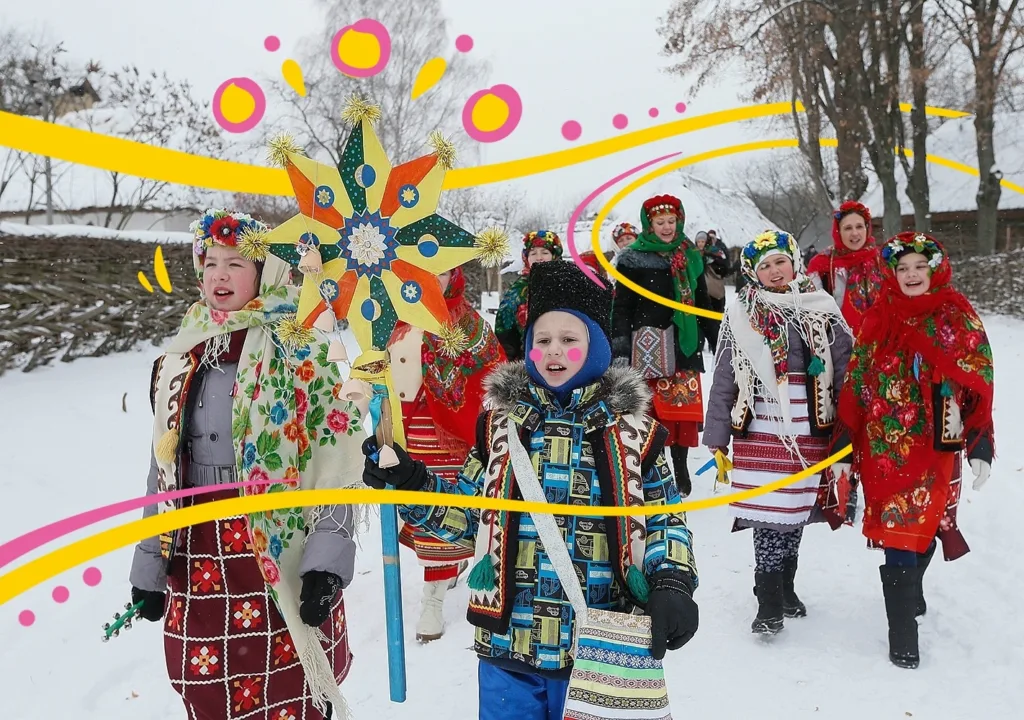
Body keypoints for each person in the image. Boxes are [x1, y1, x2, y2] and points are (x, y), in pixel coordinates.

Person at [362, 260, 700, 720]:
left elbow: (665, 518)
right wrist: (412, 482)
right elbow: (465, 522)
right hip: (506, 645)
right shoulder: (498, 429)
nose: (554, 351)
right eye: (542, 340)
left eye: (569, 340)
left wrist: (672, 582)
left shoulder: (635, 434)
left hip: (599, 643)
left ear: (597, 348)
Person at [128, 209, 369, 720]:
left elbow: (336, 459)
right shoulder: (183, 352)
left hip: (275, 545)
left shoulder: (299, 347)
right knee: (208, 683)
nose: (219, 274)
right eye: (211, 261)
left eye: (235, 262)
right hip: (197, 550)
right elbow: (163, 464)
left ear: (263, 272)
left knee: (288, 686)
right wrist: (149, 566)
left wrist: (326, 563)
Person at [835, 231, 995, 670]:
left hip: (938, 446)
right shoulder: (876, 317)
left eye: (919, 267)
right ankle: (902, 631)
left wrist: (981, 442)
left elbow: (979, 382)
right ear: (891, 273)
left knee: (926, 529)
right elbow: (856, 382)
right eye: (902, 268)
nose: (910, 275)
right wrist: (844, 447)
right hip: (886, 449)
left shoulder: (958, 318)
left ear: (934, 269)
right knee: (896, 536)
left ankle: (912, 589)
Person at [703, 230, 852, 634]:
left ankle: (786, 586)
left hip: (809, 431)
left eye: (779, 262)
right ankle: (767, 600)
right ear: (752, 273)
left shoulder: (822, 308)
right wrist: (716, 434)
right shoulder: (742, 315)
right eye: (763, 265)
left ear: (794, 263)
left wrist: (850, 427)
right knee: (768, 515)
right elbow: (725, 377)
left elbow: (844, 371)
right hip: (760, 430)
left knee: (795, 512)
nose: (773, 271)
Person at [387, 265, 506, 642]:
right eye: (419, 271)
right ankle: (444, 571)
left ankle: (433, 597)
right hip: (405, 428)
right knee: (416, 507)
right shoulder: (393, 317)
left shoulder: (469, 324)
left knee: (443, 504)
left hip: (452, 431)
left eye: (438, 272)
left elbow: (494, 372)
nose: (429, 279)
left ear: (452, 275)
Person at [611, 194, 717, 497]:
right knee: (651, 412)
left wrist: (715, 335)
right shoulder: (632, 259)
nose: (667, 227)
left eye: (672, 221)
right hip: (648, 345)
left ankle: (680, 464)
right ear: (650, 224)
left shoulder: (691, 256)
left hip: (683, 343)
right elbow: (622, 307)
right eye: (661, 222)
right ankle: (653, 468)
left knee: (681, 410)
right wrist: (619, 347)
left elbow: (701, 300)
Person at [806, 201, 887, 335]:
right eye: (848, 228)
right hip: (841, 344)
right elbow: (815, 310)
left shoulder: (883, 260)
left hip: (882, 342)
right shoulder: (823, 264)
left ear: (867, 228)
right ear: (838, 231)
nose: (855, 233)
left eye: (859, 226)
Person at [495, 230, 562, 361]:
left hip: (564, 359)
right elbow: (504, 331)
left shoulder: (567, 284)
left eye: (545, 252)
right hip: (527, 362)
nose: (539, 257)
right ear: (526, 257)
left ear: (554, 255)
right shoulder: (518, 290)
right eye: (533, 253)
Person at [700, 242, 731, 353]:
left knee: (716, 318)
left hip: (717, 292)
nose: (700, 244)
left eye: (703, 241)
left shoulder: (717, 254)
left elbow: (725, 269)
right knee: (702, 319)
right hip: (703, 293)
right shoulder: (695, 255)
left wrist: (714, 259)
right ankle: (702, 344)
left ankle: (716, 344)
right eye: (699, 241)